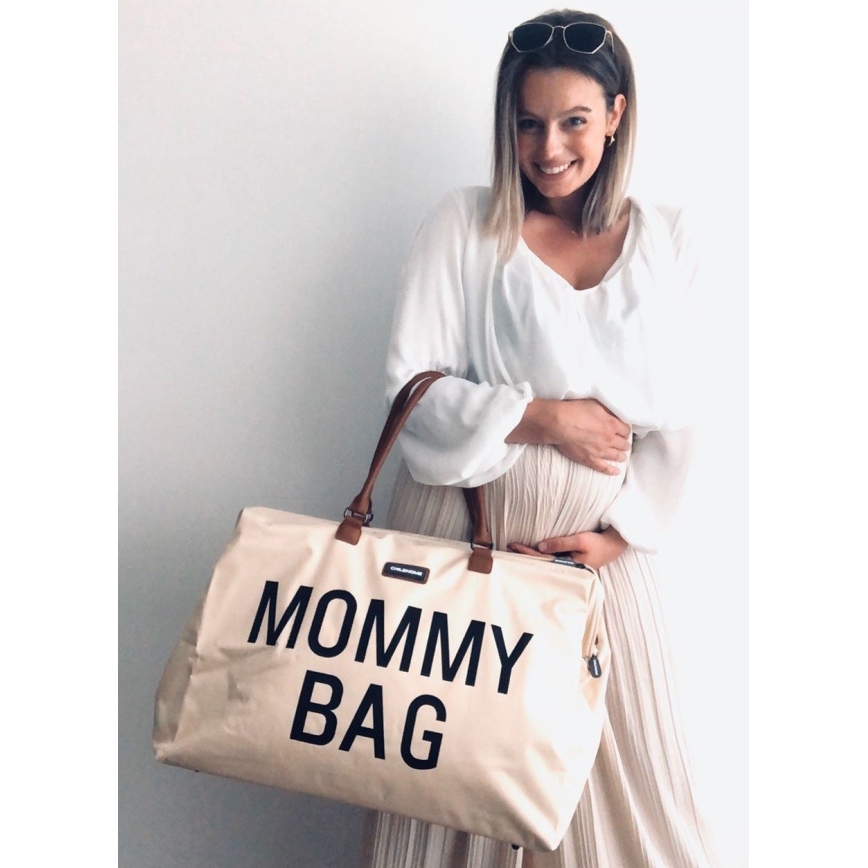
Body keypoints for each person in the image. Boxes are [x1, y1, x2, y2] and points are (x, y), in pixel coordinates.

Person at [360, 8, 720, 868]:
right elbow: (409, 389)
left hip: (601, 567)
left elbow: (686, 408)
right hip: (464, 548)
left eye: (573, 121)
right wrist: (542, 417)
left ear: (616, 115)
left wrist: (618, 536)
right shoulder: (464, 224)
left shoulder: (670, 237)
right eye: (527, 124)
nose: (548, 148)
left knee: (638, 803)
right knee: (449, 787)